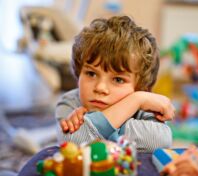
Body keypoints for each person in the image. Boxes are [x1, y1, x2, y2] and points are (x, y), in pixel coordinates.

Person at [55, 15, 175, 152]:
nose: (100, 88)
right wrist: (136, 100)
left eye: (118, 79)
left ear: (140, 88)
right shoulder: (70, 102)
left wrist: (137, 100)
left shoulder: (144, 107)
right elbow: (71, 140)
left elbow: (161, 139)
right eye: (91, 74)